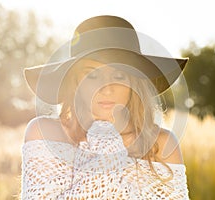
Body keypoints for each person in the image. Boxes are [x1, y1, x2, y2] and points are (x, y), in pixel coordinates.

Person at [21, 15, 189, 199]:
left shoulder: (161, 144)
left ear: (134, 83)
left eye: (119, 75)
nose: (106, 88)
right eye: (92, 75)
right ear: (75, 82)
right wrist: (106, 146)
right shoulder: (45, 133)